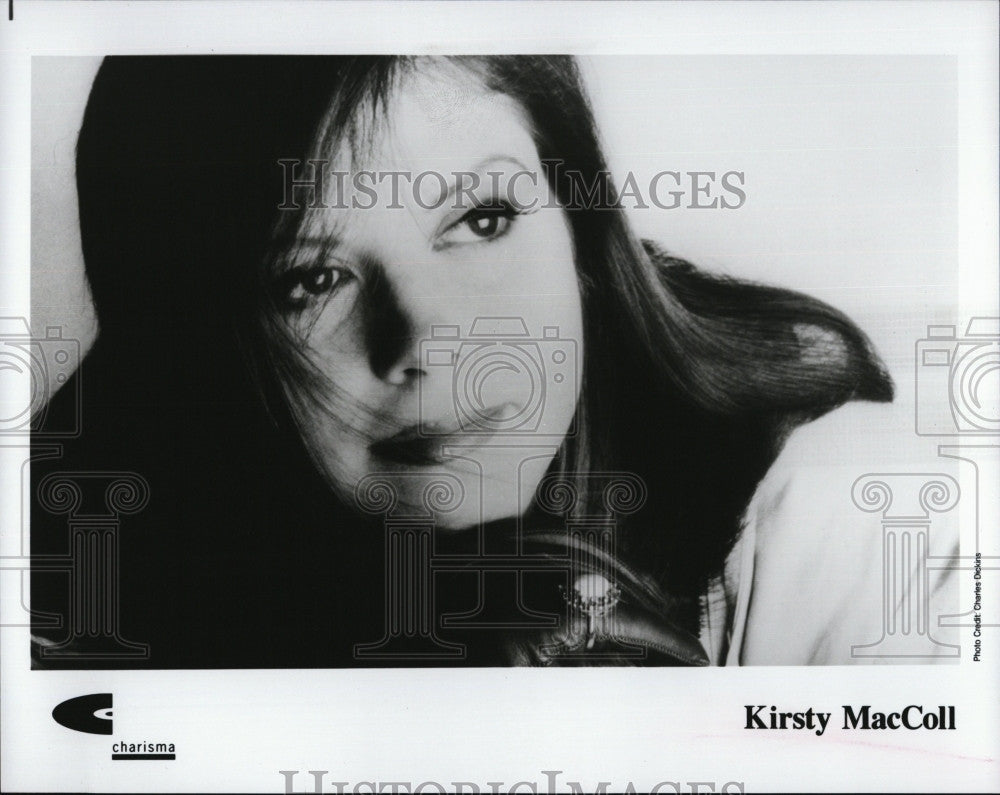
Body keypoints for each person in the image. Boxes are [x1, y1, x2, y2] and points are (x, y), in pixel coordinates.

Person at [33, 55, 946, 668]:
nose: (429, 343)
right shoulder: (83, 586)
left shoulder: (853, 526)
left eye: (481, 219)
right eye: (312, 277)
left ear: (581, 238)